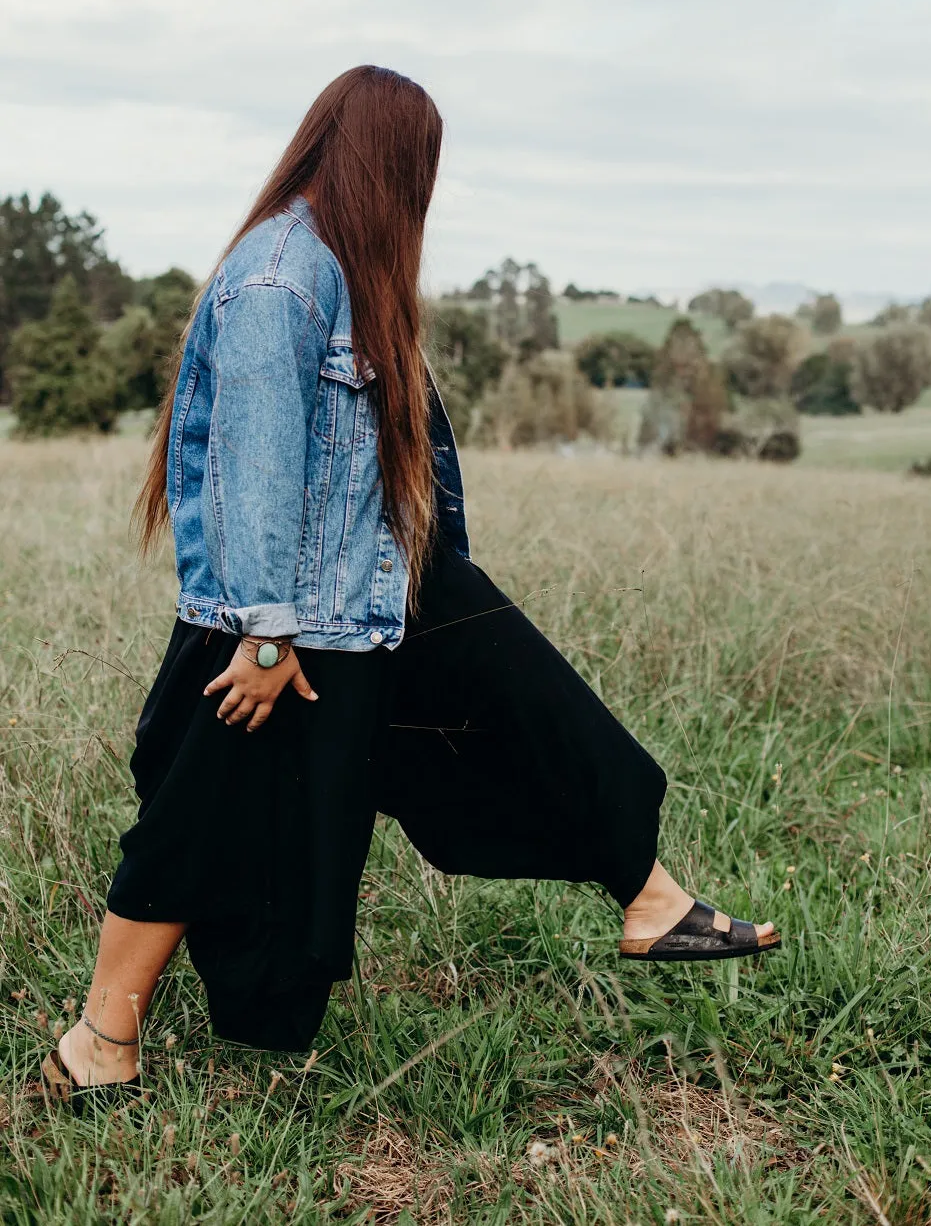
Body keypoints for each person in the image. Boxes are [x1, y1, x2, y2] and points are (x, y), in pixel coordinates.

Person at [41, 66, 778, 1106]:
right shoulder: (280, 279)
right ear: (381, 166)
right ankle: (98, 1040)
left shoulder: (350, 271)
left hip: (377, 595)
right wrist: (262, 638)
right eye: (416, 172)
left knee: (531, 698)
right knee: (200, 819)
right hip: (280, 624)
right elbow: (254, 464)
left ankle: (649, 896)